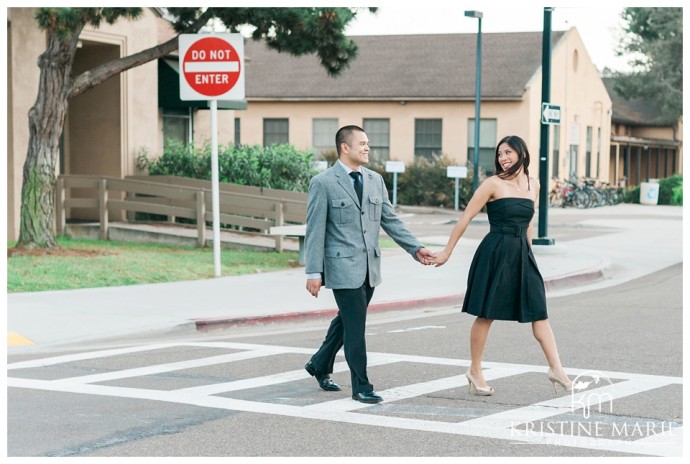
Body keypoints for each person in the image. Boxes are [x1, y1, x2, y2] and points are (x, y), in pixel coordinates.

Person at [429, 135, 572, 396]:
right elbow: (465, 218)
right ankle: (475, 370)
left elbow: (529, 223)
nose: (503, 158)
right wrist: (446, 252)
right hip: (495, 252)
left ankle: (556, 368)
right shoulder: (492, 184)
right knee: (486, 314)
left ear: (522, 154)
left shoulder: (534, 185)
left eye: (508, 153)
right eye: (499, 154)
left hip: (522, 254)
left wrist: (529, 256)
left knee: (539, 311)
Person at [304, 124, 434, 404]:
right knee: (355, 328)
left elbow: (390, 219)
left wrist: (416, 248)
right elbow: (315, 231)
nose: (367, 148)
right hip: (342, 269)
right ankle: (361, 386)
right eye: (362, 143)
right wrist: (313, 271)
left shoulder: (375, 180)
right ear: (345, 147)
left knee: (348, 321)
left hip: (370, 268)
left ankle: (319, 363)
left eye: (368, 144)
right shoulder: (323, 183)